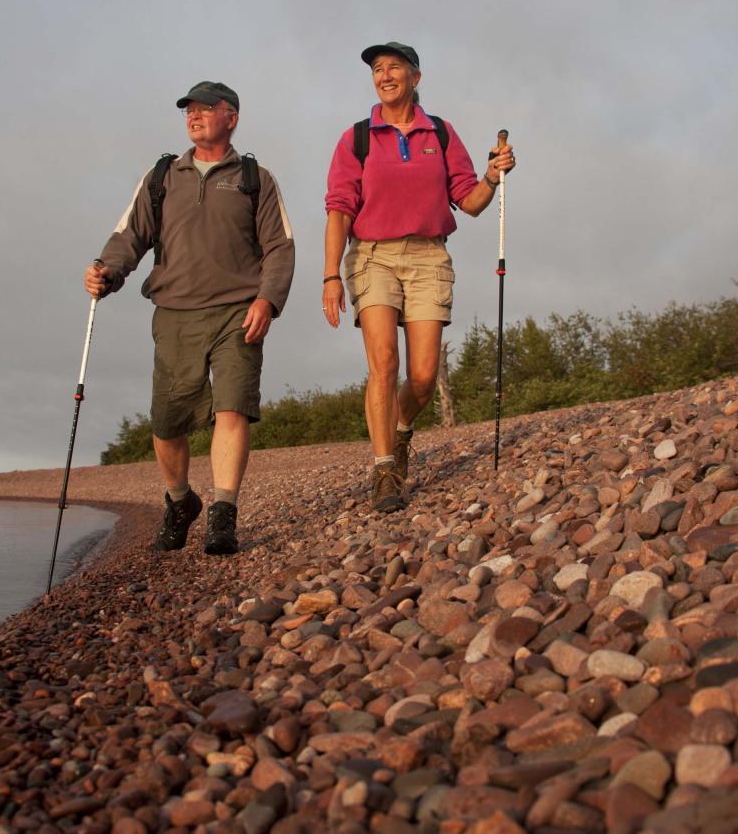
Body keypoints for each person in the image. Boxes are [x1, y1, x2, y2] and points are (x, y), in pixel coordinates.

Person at [86, 81, 295, 554]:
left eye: (205, 109)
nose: (194, 116)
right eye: (189, 111)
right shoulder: (163, 176)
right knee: (167, 423)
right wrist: (106, 271)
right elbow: (129, 236)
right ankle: (181, 501)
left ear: (232, 117)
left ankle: (224, 513)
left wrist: (268, 300)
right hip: (175, 313)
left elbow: (280, 246)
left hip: (238, 310)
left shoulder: (254, 177)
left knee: (232, 405)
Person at [322, 42, 516, 512]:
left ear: (416, 77)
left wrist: (491, 175)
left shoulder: (442, 133)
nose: (385, 75)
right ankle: (385, 469)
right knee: (384, 364)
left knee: (424, 377)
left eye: (394, 68)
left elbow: (468, 202)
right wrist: (330, 276)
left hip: (429, 256)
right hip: (372, 256)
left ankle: (401, 430)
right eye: (377, 69)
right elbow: (339, 210)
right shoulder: (357, 138)